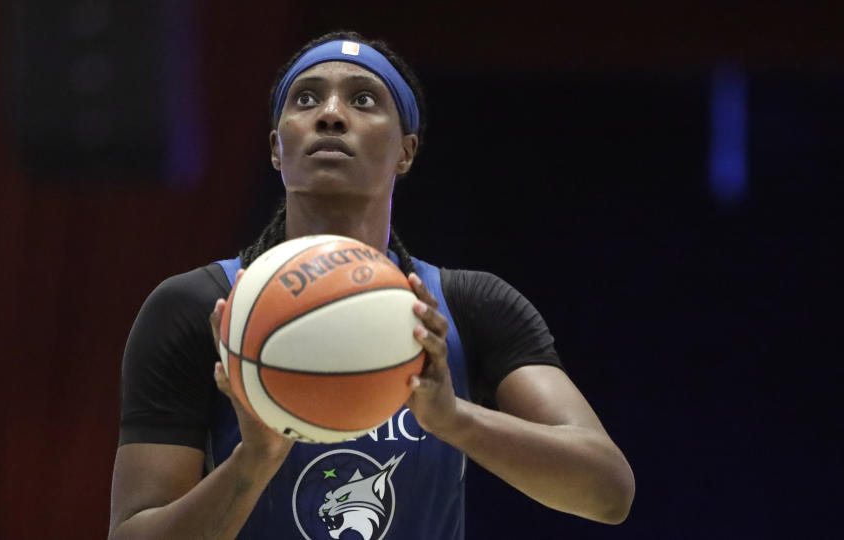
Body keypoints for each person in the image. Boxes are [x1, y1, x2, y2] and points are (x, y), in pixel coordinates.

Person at [108, 31, 635, 540]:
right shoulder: (199, 307)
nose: (331, 114)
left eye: (363, 99)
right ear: (276, 147)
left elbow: (608, 493)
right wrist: (255, 460)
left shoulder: (467, 307)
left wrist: (454, 420)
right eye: (306, 98)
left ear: (406, 152)